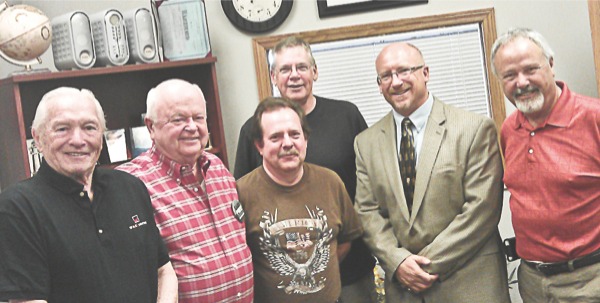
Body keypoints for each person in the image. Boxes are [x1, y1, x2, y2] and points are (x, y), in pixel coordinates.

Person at [354, 42, 511, 303]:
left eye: (404, 71)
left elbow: (482, 209)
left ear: (425, 73)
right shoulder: (366, 143)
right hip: (404, 291)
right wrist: (398, 262)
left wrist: (421, 267)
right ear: (379, 84)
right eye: (386, 76)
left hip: (470, 285)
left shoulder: (473, 128)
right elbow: (367, 212)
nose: (396, 82)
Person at [0, 87, 178, 303]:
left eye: (89, 128)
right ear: (38, 139)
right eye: (62, 129)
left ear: (101, 137)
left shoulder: (130, 187)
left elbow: (164, 271)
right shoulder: (18, 208)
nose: (78, 139)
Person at [234, 36, 376, 302]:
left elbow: (372, 186)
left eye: (302, 67)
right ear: (273, 76)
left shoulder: (347, 116)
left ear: (315, 71)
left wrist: (325, 259)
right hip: (286, 283)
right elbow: (243, 205)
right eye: (285, 69)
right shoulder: (252, 129)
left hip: (353, 269)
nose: (294, 75)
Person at [117, 79, 253, 303]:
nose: (192, 127)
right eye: (178, 119)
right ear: (151, 127)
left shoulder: (217, 168)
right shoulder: (131, 184)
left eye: (198, 118)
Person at [491, 28, 600, 302]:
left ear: (551, 65)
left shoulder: (593, 119)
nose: (521, 82)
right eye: (509, 75)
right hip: (533, 282)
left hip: (590, 279)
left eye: (531, 69)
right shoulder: (508, 129)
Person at [237, 97, 363, 303]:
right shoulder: (241, 193)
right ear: (259, 145)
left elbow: (344, 241)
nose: (288, 143)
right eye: (276, 137)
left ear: (305, 139)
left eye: (295, 134)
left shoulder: (330, 182)